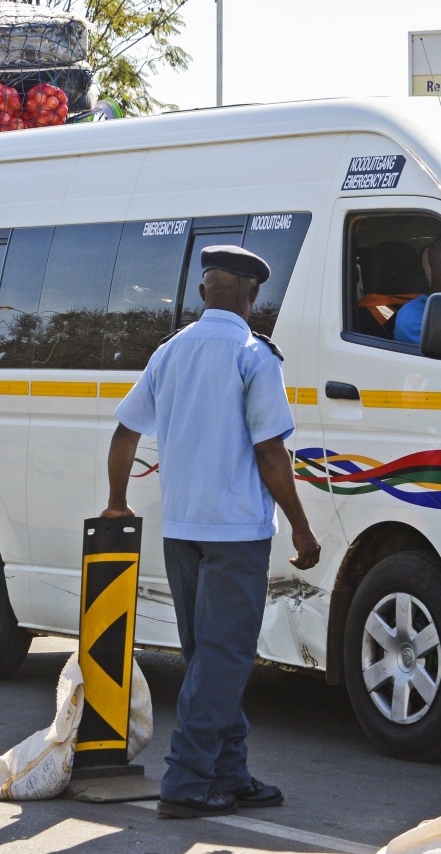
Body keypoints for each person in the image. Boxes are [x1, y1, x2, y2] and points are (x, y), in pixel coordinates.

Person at [103, 245, 321, 820]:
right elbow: (271, 452)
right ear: (253, 296)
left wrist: (117, 501)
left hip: (182, 529)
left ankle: (230, 772)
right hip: (234, 533)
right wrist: (301, 528)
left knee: (208, 656)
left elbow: (125, 430)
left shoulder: (170, 351)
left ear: (203, 293)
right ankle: (187, 781)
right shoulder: (255, 356)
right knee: (224, 658)